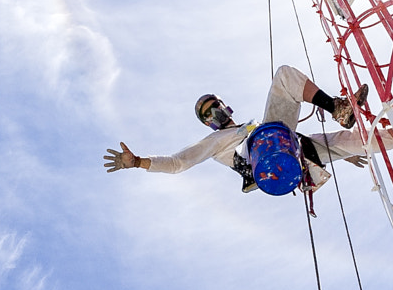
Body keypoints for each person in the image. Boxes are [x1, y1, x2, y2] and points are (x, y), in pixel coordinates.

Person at [102, 65, 375, 195]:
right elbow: (177, 163)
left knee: (356, 141)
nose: (214, 114)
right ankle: (337, 109)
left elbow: (281, 138)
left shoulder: (249, 129)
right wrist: (139, 162)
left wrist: (338, 154)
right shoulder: (217, 141)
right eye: (208, 114)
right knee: (282, 78)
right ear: (208, 123)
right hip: (270, 160)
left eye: (215, 106)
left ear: (225, 107)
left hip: (292, 148)